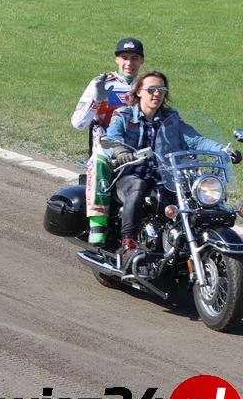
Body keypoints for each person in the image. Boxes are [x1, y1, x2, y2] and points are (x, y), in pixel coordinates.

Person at [101, 71, 240, 259]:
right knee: (138, 186)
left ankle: (184, 245)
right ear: (139, 92)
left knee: (196, 195)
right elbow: (111, 139)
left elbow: (196, 140)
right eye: (151, 89)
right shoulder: (123, 115)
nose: (157, 94)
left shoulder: (171, 118)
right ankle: (128, 242)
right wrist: (120, 152)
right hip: (130, 175)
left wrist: (222, 149)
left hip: (164, 177)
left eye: (161, 89)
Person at [73, 37, 143, 244]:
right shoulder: (103, 83)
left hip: (141, 147)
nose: (129, 63)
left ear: (141, 60)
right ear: (116, 60)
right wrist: (96, 100)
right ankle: (98, 223)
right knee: (99, 160)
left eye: (134, 58)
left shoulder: (147, 84)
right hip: (107, 146)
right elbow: (78, 123)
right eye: (124, 58)